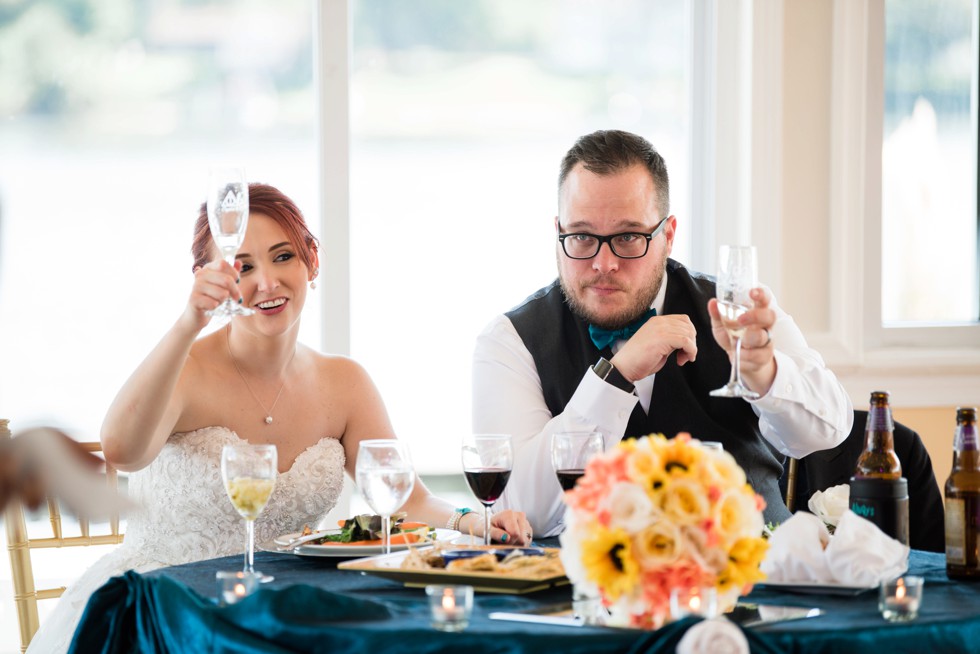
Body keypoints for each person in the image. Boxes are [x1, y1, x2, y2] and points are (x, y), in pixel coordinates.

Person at [28, 183, 531, 653]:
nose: (267, 282)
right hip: (167, 612)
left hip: (279, 613)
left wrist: (476, 523)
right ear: (213, 281)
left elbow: (407, 499)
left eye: (283, 256)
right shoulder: (185, 368)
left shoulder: (345, 383)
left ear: (311, 261)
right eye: (241, 267)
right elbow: (121, 450)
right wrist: (188, 323)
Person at [473, 130, 854, 537]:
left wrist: (767, 375)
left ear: (668, 235)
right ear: (559, 232)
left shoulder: (736, 308)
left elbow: (827, 430)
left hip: (753, 579)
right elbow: (520, 512)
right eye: (582, 236)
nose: (604, 263)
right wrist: (615, 378)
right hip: (593, 592)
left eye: (627, 237)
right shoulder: (510, 341)